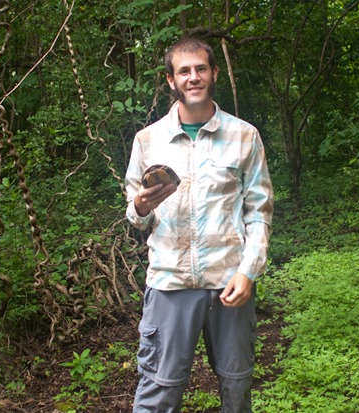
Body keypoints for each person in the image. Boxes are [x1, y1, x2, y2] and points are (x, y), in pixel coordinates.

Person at [125, 37, 274, 413]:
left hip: (229, 283)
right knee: (158, 390)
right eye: (184, 71)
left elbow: (258, 211)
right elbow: (136, 216)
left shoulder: (244, 136)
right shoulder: (148, 140)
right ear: (171, 80)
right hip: (170, 283)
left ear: (214, 73)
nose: (193, 77)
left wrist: (249, 271)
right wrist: (140, 206)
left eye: (200, 69)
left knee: (237, 388)